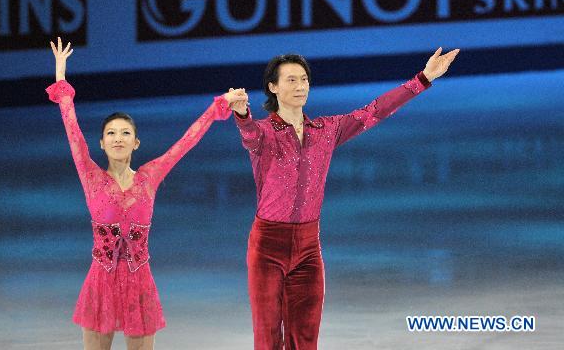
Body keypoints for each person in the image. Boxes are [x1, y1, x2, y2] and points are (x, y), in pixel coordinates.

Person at [228, 48, 460, 349]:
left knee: (306, 338)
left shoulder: (326, 130)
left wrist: (424, 78)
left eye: (304, 79)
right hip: (267, 248)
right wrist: (242, 112)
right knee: (268, 337)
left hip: (308, 248)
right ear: (272, 87)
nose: (300, 86)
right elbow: (247, 133)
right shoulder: (262, 134)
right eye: (291, 80)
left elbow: (374, 111)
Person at [46, 37, 247, 350]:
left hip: (139, 283)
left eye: (125, 133)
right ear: (101, 143)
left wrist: (218, 105)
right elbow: (71, 128)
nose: (117, 138)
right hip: (100, 283)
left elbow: (186, 142)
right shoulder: (91, 176)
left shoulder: (150, 176)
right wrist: (61, 80)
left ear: (136, 143)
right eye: (110, 133)